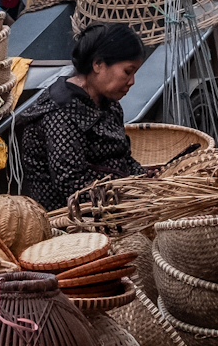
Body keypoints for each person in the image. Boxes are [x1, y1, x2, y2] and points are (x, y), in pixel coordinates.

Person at [13, 23, 149, 209]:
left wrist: (146, 182)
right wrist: (129, 198)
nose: (132, 82)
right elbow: (71, 183)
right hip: (70, 218)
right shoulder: (60, 112)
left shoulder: (109, 104)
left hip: (113, 205)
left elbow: (123, 158)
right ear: (98, 64)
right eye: (127, 71)